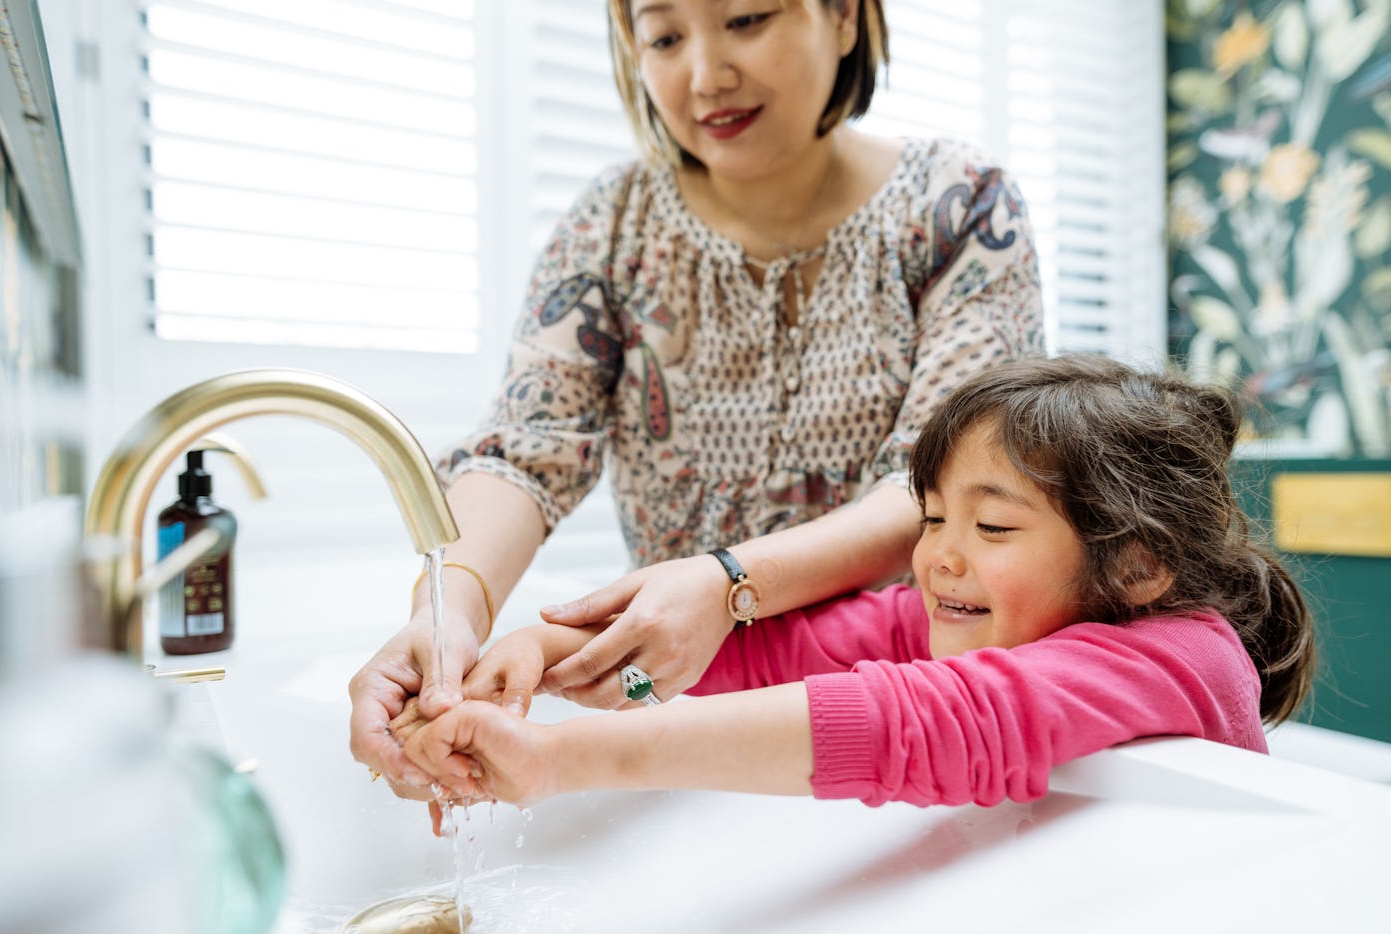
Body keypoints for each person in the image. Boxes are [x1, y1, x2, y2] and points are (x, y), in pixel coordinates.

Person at [351, 0, 1044, 799]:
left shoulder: (961, 207)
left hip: (900, 722)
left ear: (846, 16)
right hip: (675, 717)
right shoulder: (613, 226)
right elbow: (525, 449)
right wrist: (448, 616)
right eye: (665, 36)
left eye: (747, 19)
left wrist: (727, 582)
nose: (706, 76)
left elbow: (931, 493)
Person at [399, 354, 1316, 815]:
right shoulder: (947, 613)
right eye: (931, 519)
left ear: (1138, 563)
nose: (939, 558)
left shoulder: (1185, 655)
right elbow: (774, 653)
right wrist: (540, 652)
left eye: (992, 526)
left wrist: (562, 763)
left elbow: (938, 721)